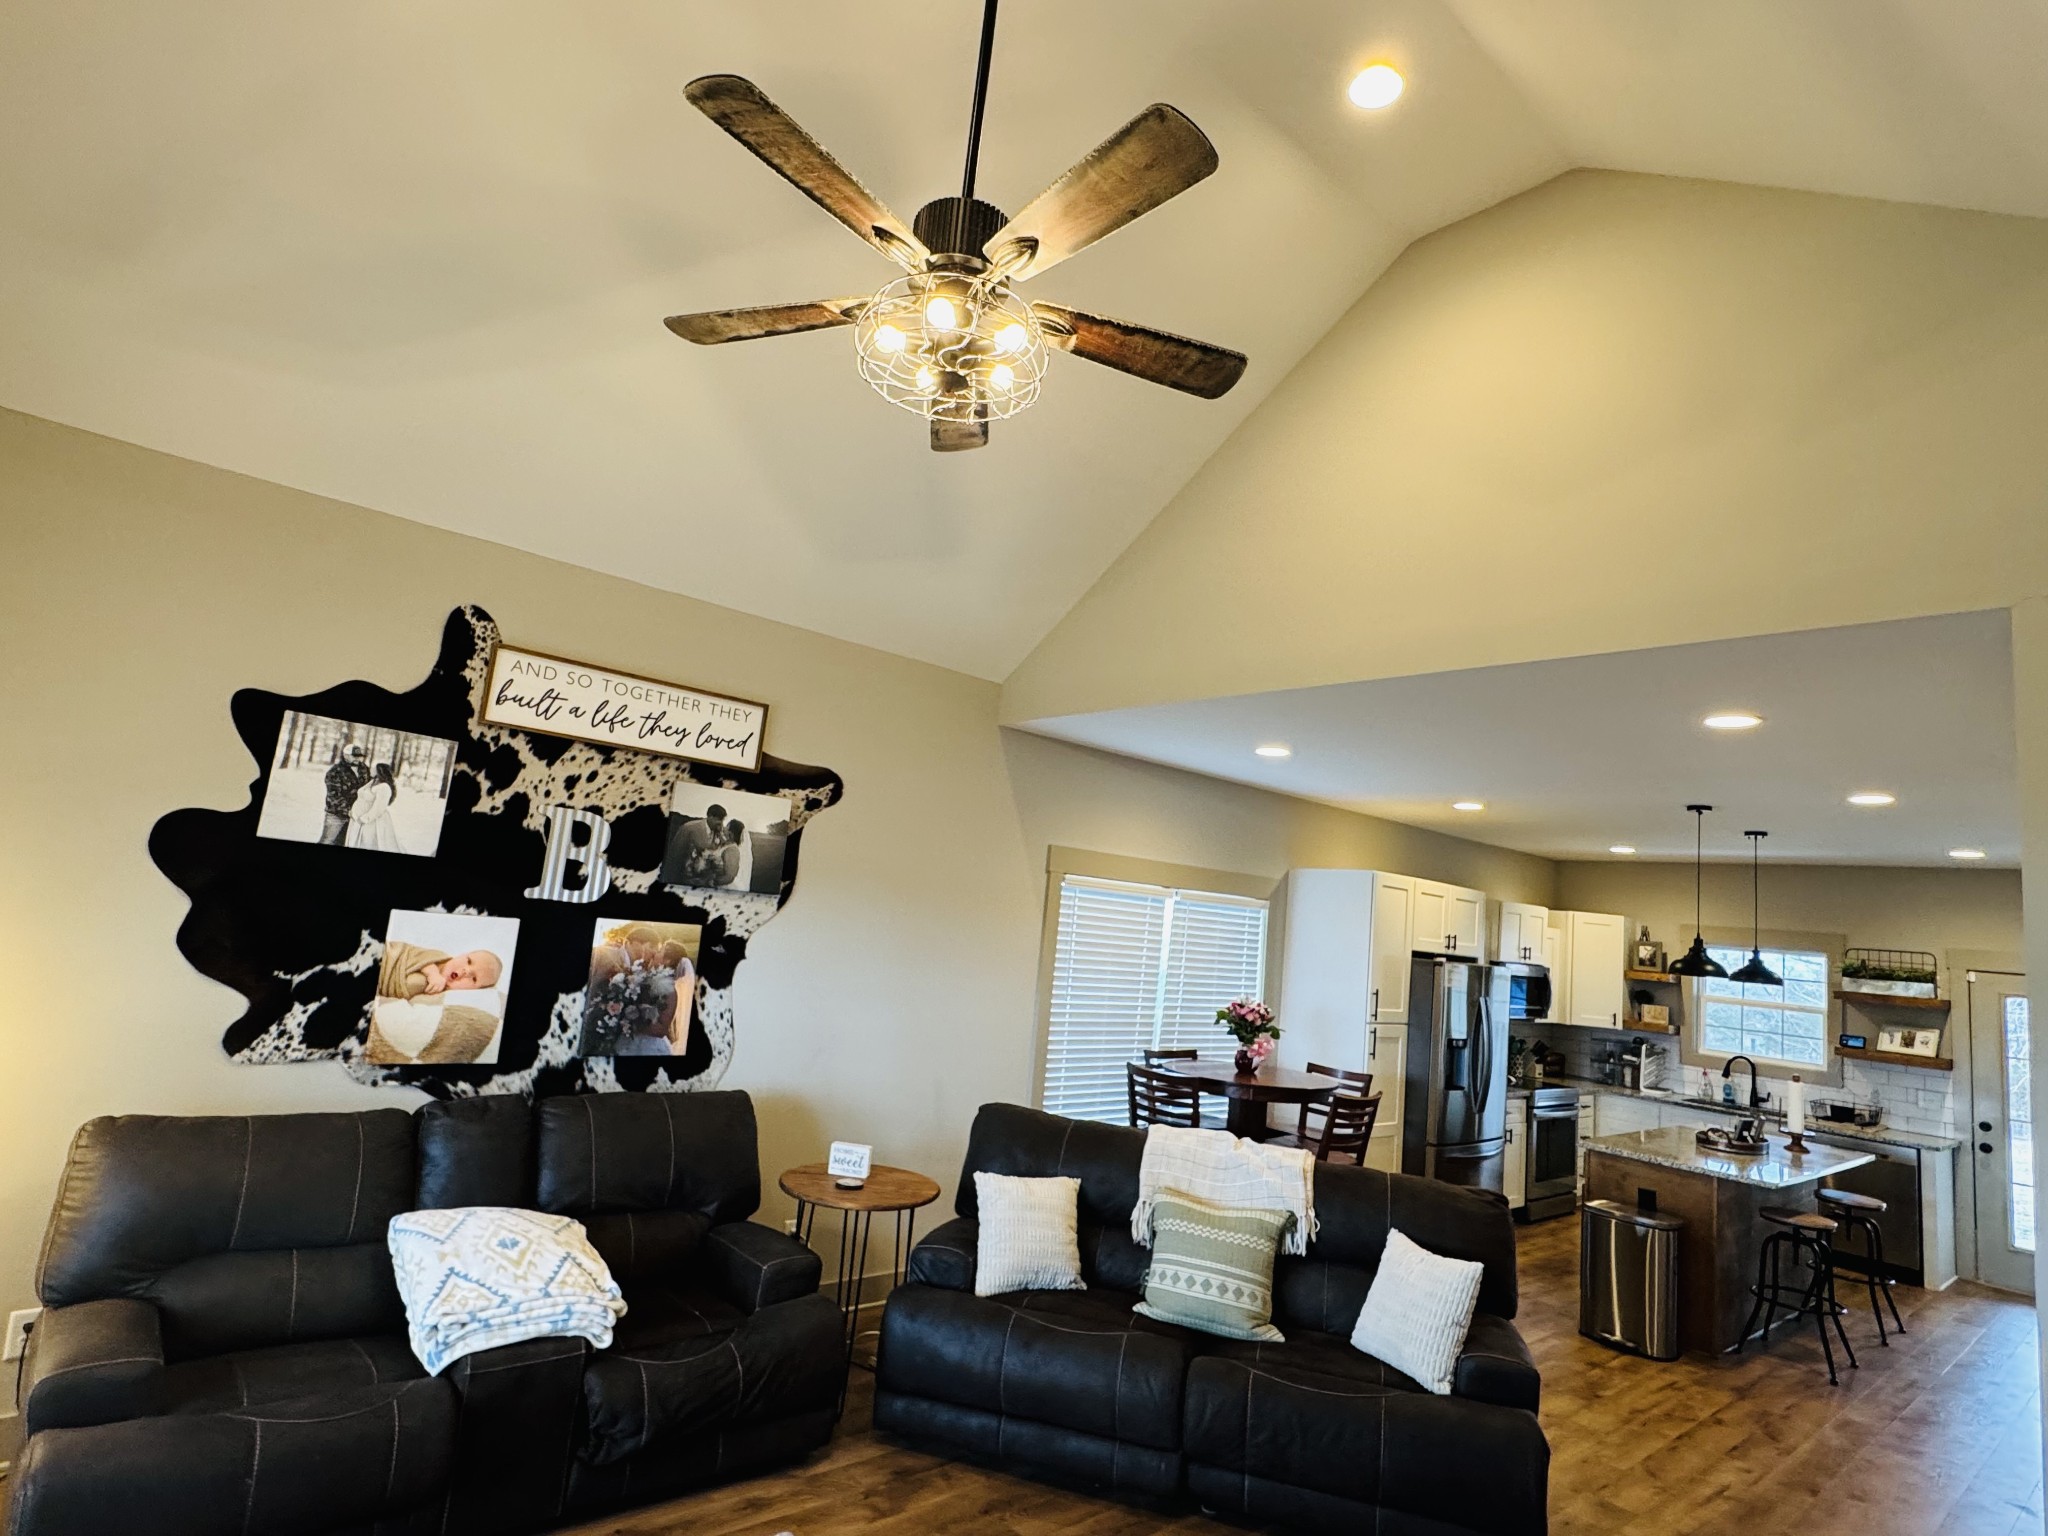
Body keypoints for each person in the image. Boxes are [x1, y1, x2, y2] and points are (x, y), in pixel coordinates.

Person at [378, 941, 503, 1000]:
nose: (466, 971)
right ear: (462, 954)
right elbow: (415, 954)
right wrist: (432, 972)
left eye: (474, 978)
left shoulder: (446, 997)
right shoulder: (440, 958)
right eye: (469, 961)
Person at [663, 804, 729, 887]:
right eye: (719, 820)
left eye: (722, 820)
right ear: (710, 816)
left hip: (702, 881)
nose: (721, 823)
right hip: (684, 879)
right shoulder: (689, 828)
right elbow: (675, 855)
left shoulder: (718, 832)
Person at [347, 763, 403, 852]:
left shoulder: (384, 787)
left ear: (380, 771)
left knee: (369, 844)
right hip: (358, 820)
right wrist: (353, 811)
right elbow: (361, 795)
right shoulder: (373, 782)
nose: (371, 769)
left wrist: (365, 818)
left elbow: (378, 808)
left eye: (374, 768)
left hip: (372, 822)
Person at [322, 744, 371, 845]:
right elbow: (334, 796)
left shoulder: (364, 769)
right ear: (346, 755)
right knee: (328, 841)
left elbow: (368, 788)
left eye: (359, 756)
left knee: (346, 843)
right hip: (336, 814)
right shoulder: (335, 771)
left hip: (356, 816)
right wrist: (348, 810)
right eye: (354, 756)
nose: (358, 758)